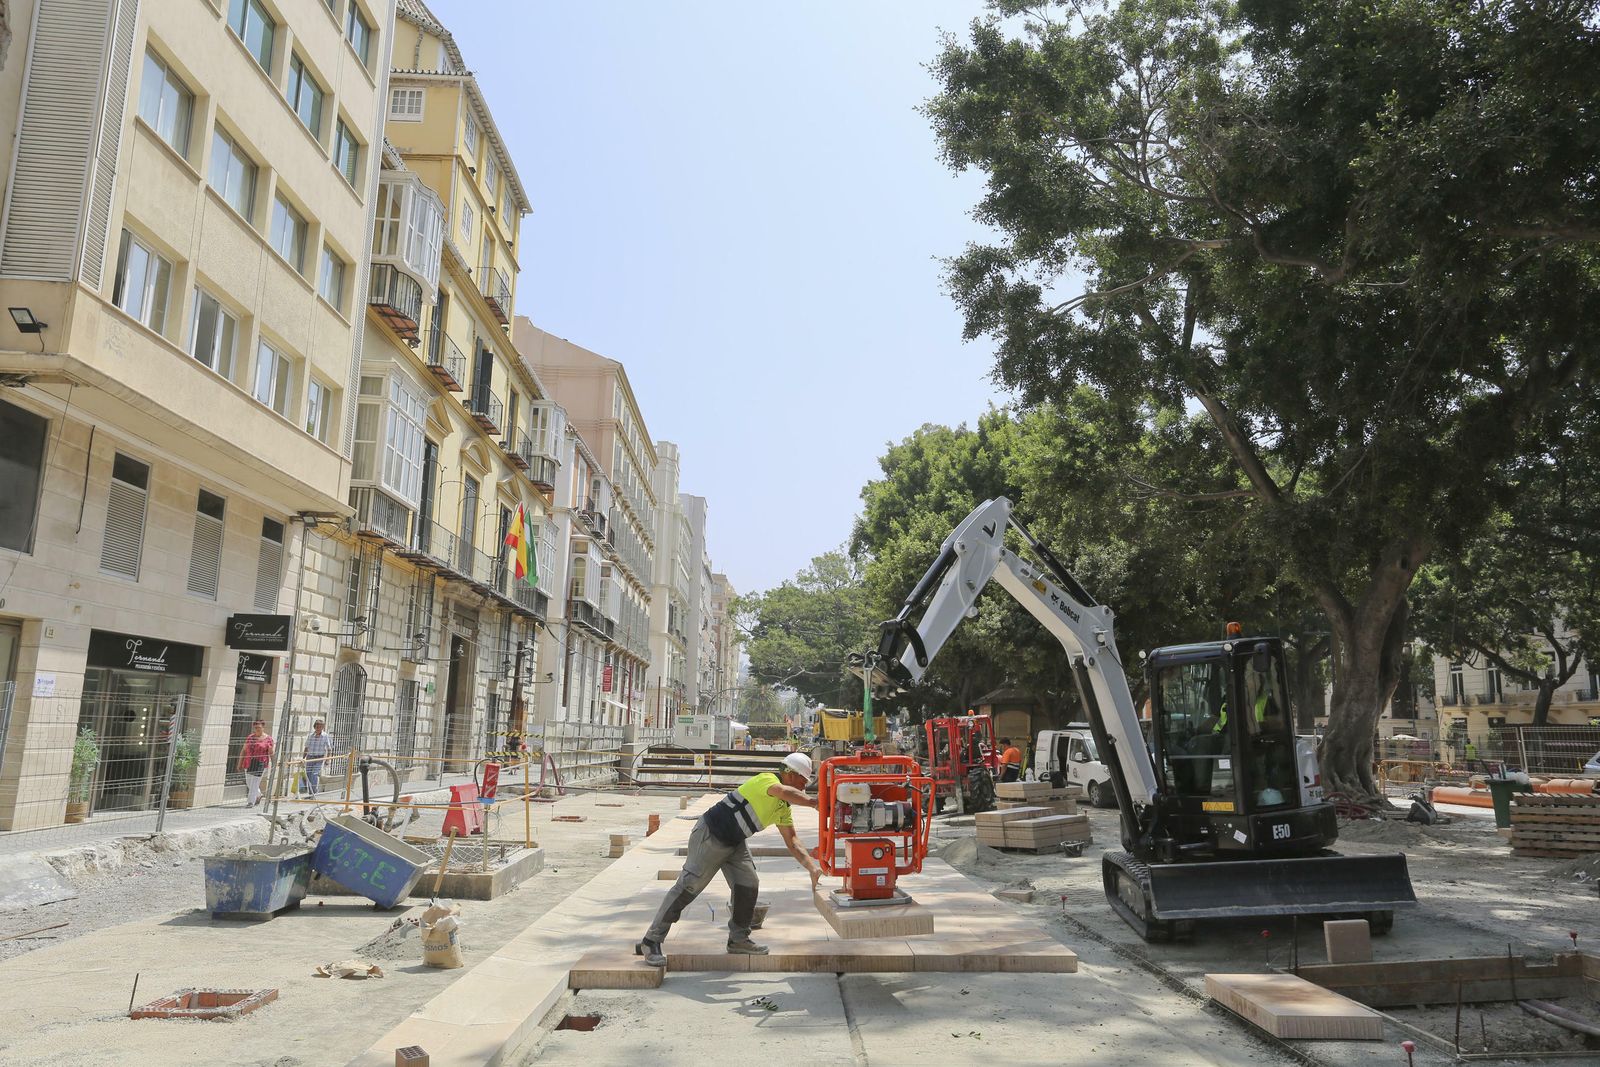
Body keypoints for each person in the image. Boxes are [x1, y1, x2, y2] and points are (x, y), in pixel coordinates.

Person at [637, 752, 824, 966]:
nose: (805, 786)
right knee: (688, 887)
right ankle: (651, 940)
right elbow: (783, 790)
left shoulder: (783, 808)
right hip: (710, 835)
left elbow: (793, 841)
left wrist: (813, 869)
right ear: (790, 774)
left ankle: (738, 939)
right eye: (803, 780)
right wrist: (813, 803)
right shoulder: (767, 780)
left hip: (735, 843)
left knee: (748, 884)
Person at [237, 719, 274, 807]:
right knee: (249, 782)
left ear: (263, 728)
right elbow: (244, 750)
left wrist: (274, 763)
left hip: (261, 764)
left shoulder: (268, 739)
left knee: (254, 783)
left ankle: (251, 802)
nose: (257, 729)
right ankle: (258, 795)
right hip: (248, 763)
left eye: (259, 727)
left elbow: (271, 753)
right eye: (256, 727)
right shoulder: (250, 737)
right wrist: (239, 763)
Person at [302, 719, 333, 797]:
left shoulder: (325, 736)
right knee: (308, 775)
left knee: (314, 774)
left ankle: (314, 793)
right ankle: (310, 793)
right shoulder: (310, 736)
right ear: (314, 727)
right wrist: (303, 758)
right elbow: (306, 747)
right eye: (317, 726)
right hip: (310, 757)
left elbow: (329, 749)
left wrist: (327, 759)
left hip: (319, 758)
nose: (318, 728)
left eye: (320, 727)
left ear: (322, 728)